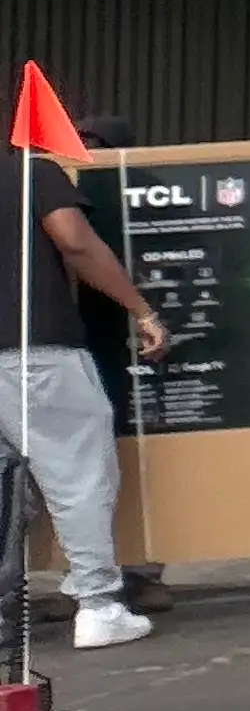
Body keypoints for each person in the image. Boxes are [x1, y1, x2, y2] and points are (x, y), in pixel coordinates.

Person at [9, 124, 161, 649]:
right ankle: (98, 606)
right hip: (32, 350)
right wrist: (142, 310)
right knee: (76, 475)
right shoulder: (31, 174)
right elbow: (75, 241)